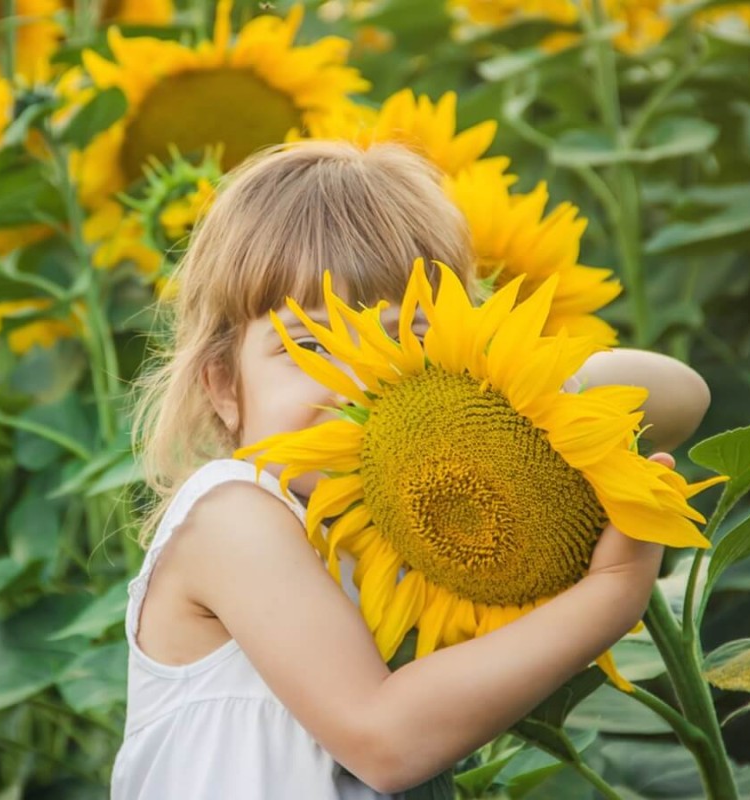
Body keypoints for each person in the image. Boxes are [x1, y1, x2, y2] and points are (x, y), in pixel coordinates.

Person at [112, 140, 711, 798]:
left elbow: (682, 396)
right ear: (224, 386)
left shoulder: (405, 535)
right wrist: (613, 594)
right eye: (310, 344)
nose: (362, 380)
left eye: (408, 337)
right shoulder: (232, 514)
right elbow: (384, 740)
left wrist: (502, 387)